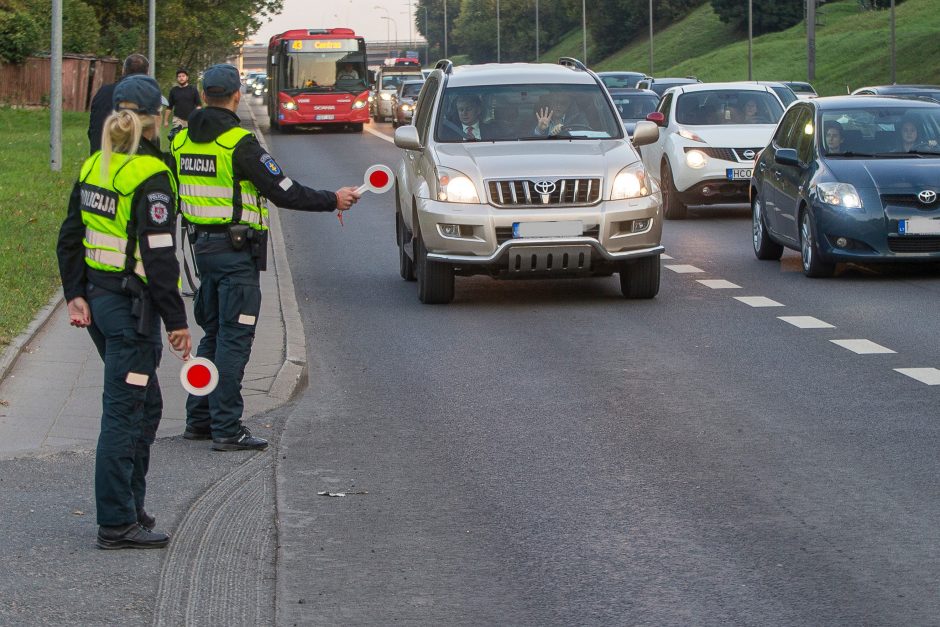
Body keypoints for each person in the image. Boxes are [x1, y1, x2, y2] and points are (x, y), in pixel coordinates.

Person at [171, 63, 360, 451]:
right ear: (237, 95)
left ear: (204, 95)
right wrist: (333, 199)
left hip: (202, 251)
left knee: (216, 334)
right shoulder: (239, 145)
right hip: (236, 255)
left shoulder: (179, 141)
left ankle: (199, 418)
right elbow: (284, 191)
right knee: (235, 341)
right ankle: (227, 427)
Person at [57, 75, 192, 549]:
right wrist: (177, 322)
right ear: (157, 120)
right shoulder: (151, 176)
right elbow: (159, 257)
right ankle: (116, 522)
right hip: (132, 313)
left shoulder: (95, 164)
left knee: (146, 404)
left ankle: (131, 506)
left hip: (99, 302)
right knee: (125, 412)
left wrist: (75, 292)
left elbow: (69, 235)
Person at [87, 54, 149, 154]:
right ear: (146, 74)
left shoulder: (103, 92)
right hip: (127, 162)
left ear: (123, 71)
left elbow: (93, 129)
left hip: (99, 158)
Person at [441, 94, 510, 141]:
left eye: (468, 109)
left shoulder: (493, 130)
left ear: (478, 110)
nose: (464, 113)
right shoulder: (448, 132)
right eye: (461, 110)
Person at [163, 68, 202, 138]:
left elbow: (199, 105)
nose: (181, 78)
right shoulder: (173, 90)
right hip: (178, 119)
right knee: (177, 137)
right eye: (179, 76)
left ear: (187, 78)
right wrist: (165, 121)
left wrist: (197, 116)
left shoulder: (193, 89)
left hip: (191, 119)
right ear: (177, 78)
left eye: (183, 76)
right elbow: (169, 107)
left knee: (190, 138)